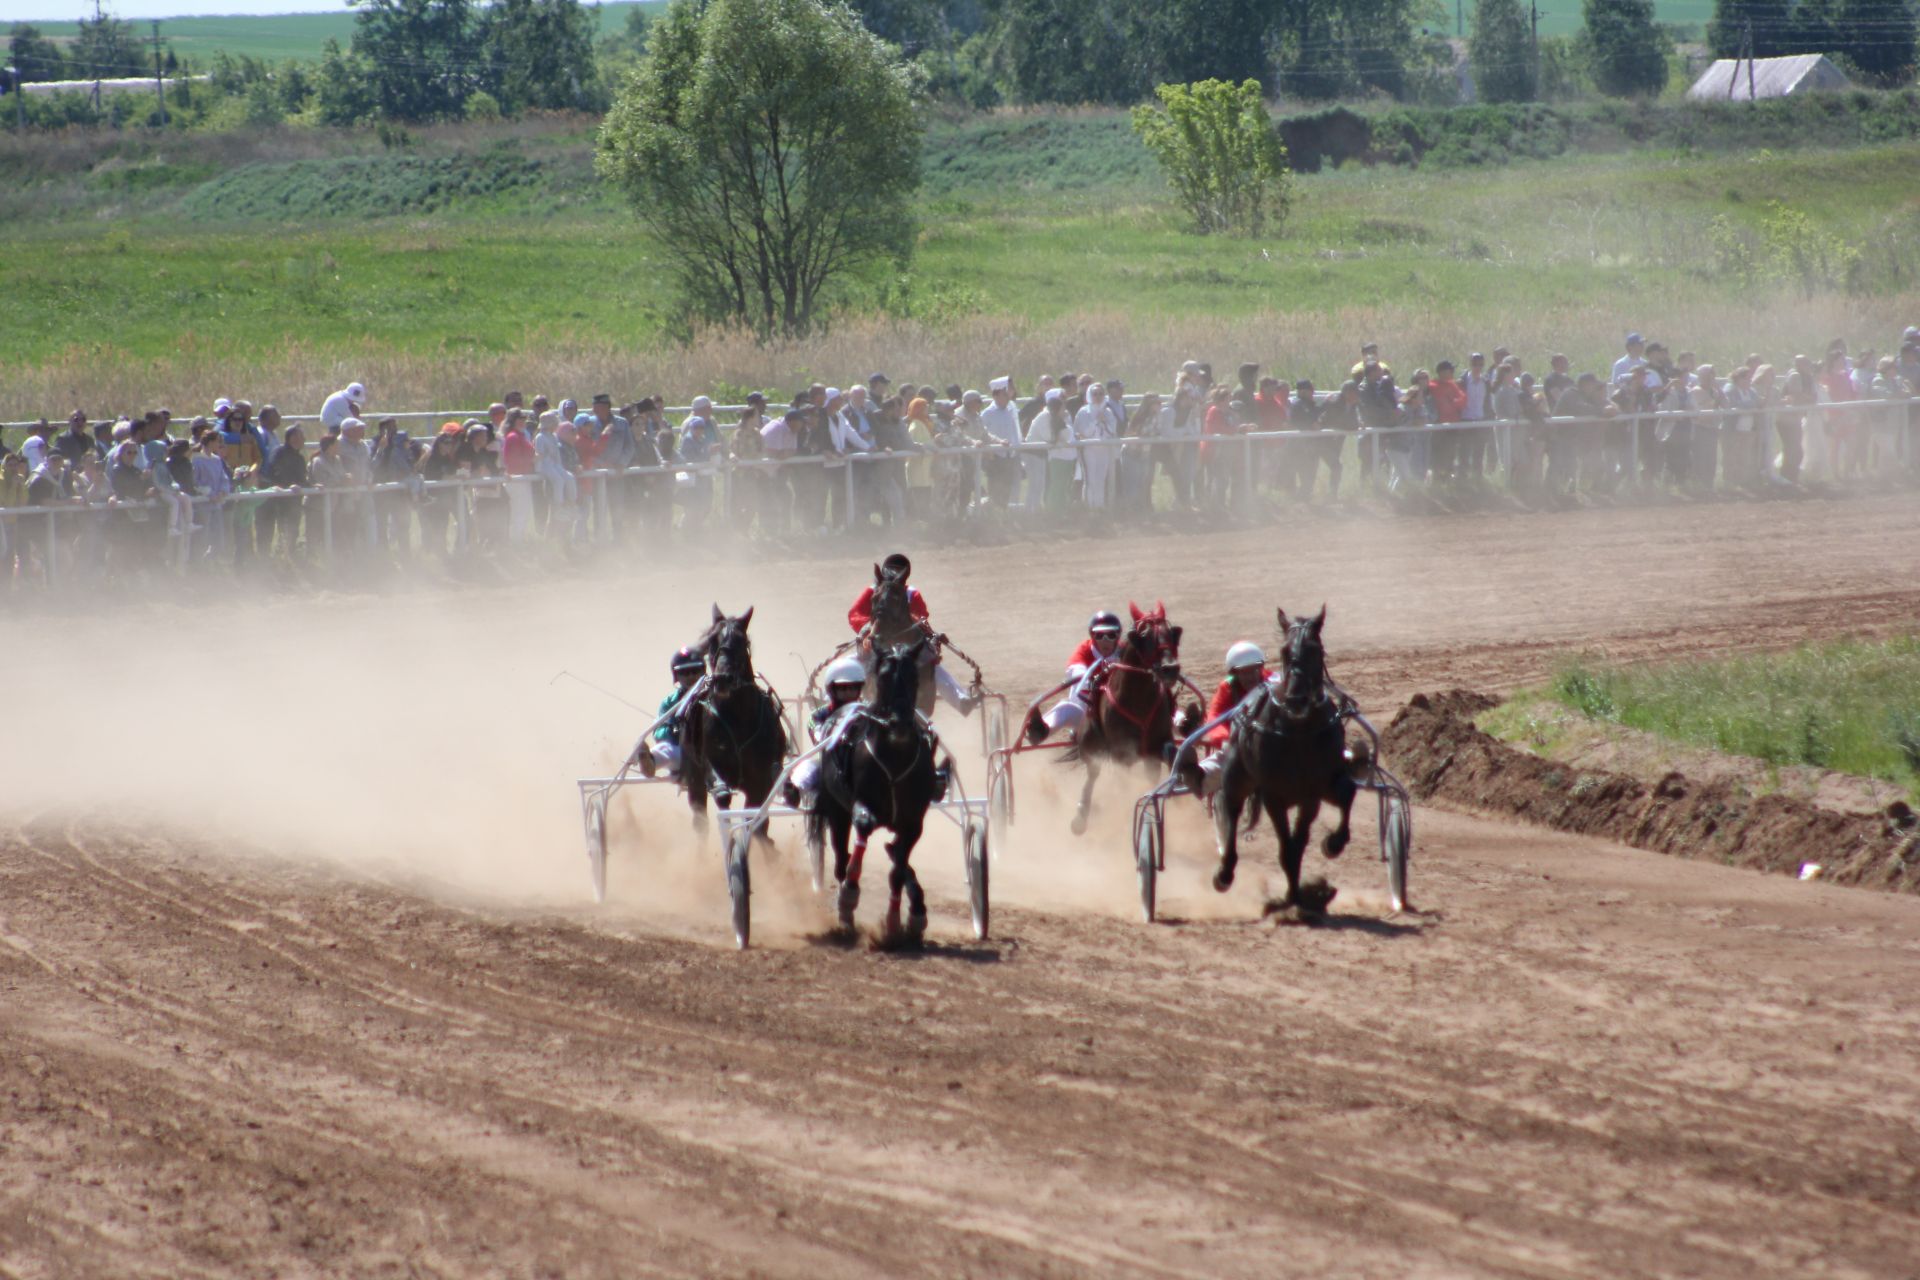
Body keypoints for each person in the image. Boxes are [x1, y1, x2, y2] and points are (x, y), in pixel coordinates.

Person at [845, 551, 974, 713]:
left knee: (932, 668)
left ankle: (960, 699)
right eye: (891, 570)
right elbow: (855, 614)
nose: (894, 574)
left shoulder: (912, 593)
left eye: (898, 571)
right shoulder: (872, 592)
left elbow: (921, 616)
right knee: (848, 666)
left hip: (908, 646)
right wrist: (869, 629)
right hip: (875, 642)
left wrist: (906, 619)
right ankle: (833, 702)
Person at [1026, 610, 1124, 744]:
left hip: (1119, 717)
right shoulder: (1084, 650)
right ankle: (1041, 731)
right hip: (1087, 717)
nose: (1105, 641)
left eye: (1111, 635)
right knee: (1066, 709)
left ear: (1118, 636)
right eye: (1100, 635)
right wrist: (1086, 678)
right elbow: (1077, 670)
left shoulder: (1125, 652)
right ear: (1092, 635)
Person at [785, 655, 869, 808]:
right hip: (830, 762)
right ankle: (791, 791)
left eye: (853, 688)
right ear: (832, 689)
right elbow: (813, 723)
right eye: (843, 689)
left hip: (864, 765)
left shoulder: (867, 711)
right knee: (805, 770)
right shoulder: (822, 713)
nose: (849, 693)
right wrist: (820, 733)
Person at [1193, 641, 1272, 795]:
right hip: (1241, 747)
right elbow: (1214, 718)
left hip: (1273, 745)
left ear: (1261, 668)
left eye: (1254, 670)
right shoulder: (1227, 687)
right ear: (1234, 673)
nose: (1250, 677)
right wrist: (1226, 738)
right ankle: (1197, 776)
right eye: (1244, 672)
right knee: (1228, 757)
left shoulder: (1275, 682)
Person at [638, 648, 707, 778]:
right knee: (666, 748)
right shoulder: (670, 702)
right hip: (684, 755)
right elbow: (658, 732)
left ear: (703, 671)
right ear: (676, 675)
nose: (691, 676)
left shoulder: (716, 696)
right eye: (684, 672)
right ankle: (649, 761)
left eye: (695, 671)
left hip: (713, 753)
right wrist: (673, 731)